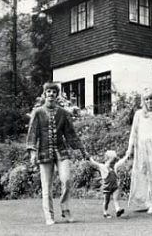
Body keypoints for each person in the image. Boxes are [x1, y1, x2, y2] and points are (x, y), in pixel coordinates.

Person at [26, 82, 89, 225]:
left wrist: (82, 149)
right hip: (44, 152)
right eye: (48, 91)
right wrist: (32, 152)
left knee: (66, 180)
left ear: (57, 95)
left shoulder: (63, 113)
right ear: (44, 94)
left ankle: (65, 210)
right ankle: (49, 216)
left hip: (61, 151)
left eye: (54, 92)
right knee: (46, 186)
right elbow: (32, 133)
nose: (51, 94)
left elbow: (71, 134)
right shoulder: (38, 112)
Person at [123, 88, 152, 213]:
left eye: (151, 98)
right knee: (147, 174)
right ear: (143, 101)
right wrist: (129, 149)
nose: (149, 101)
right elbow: (134, 132)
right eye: (147, 99)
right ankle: (149, 203)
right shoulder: (139, 114)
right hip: (143, 148)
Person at [89, 150, 126, 219]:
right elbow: (94, 163)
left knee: (116, 199)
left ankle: (118, 210)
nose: (113, 160)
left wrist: (126, 156)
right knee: (106, 201)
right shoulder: (102, 166)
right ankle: (105, 212)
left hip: (114, 186)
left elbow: (120, 163)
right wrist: (89, 157)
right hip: (107, 187)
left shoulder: (113, 167)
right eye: (112, 159)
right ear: (108, 159)